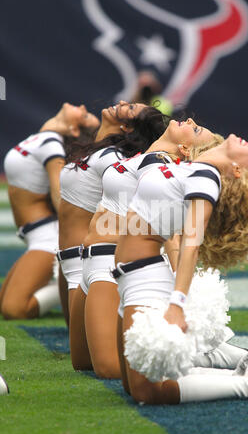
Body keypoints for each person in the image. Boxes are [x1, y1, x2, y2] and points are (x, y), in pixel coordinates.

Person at [112, 121, 248, 404]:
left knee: (147, 392)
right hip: (129, 276)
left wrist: (176, 304)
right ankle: (240, 371)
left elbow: (191, 242)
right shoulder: (191, 166)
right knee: (131, 385)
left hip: (145, 277)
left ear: (237, 170)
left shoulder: (206, 176)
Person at [69, 118, 225, 378]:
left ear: (185, 149)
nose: (190, 120)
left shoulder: (164, 165)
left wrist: (183, 290)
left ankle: (214, 360)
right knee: (81, 363)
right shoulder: (147, 156)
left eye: (195, 129)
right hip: (90, 261)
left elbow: (172, 235)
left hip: (109, 266)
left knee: (109, 369)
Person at [58, 100, 171, 333]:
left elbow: (136, 196)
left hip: (90, 260)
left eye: (129, 109)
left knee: (107, 364)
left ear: (128, 128)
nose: (121, 102)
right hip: (71, 259)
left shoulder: (113, 158)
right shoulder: (98, 149)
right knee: (82, 362)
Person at [0, 103, 99, 320]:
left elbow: (60, 194)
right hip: (37, 236)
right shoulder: (43, 139)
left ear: (74, 130)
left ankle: (72, 286)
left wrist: (69, 236)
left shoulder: (52, 146)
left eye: (83, 115)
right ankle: (66, 282)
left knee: (13, 309)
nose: (82, 106)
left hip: (48, 239)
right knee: (2, 301)